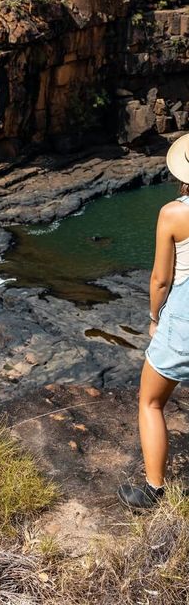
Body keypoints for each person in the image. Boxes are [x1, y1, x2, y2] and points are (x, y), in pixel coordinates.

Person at [118, 133, 189, 510]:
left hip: (184, 321)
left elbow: (161, 279)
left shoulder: (174, 213)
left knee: (150, 402)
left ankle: (153, 490)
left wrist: (153, 319)